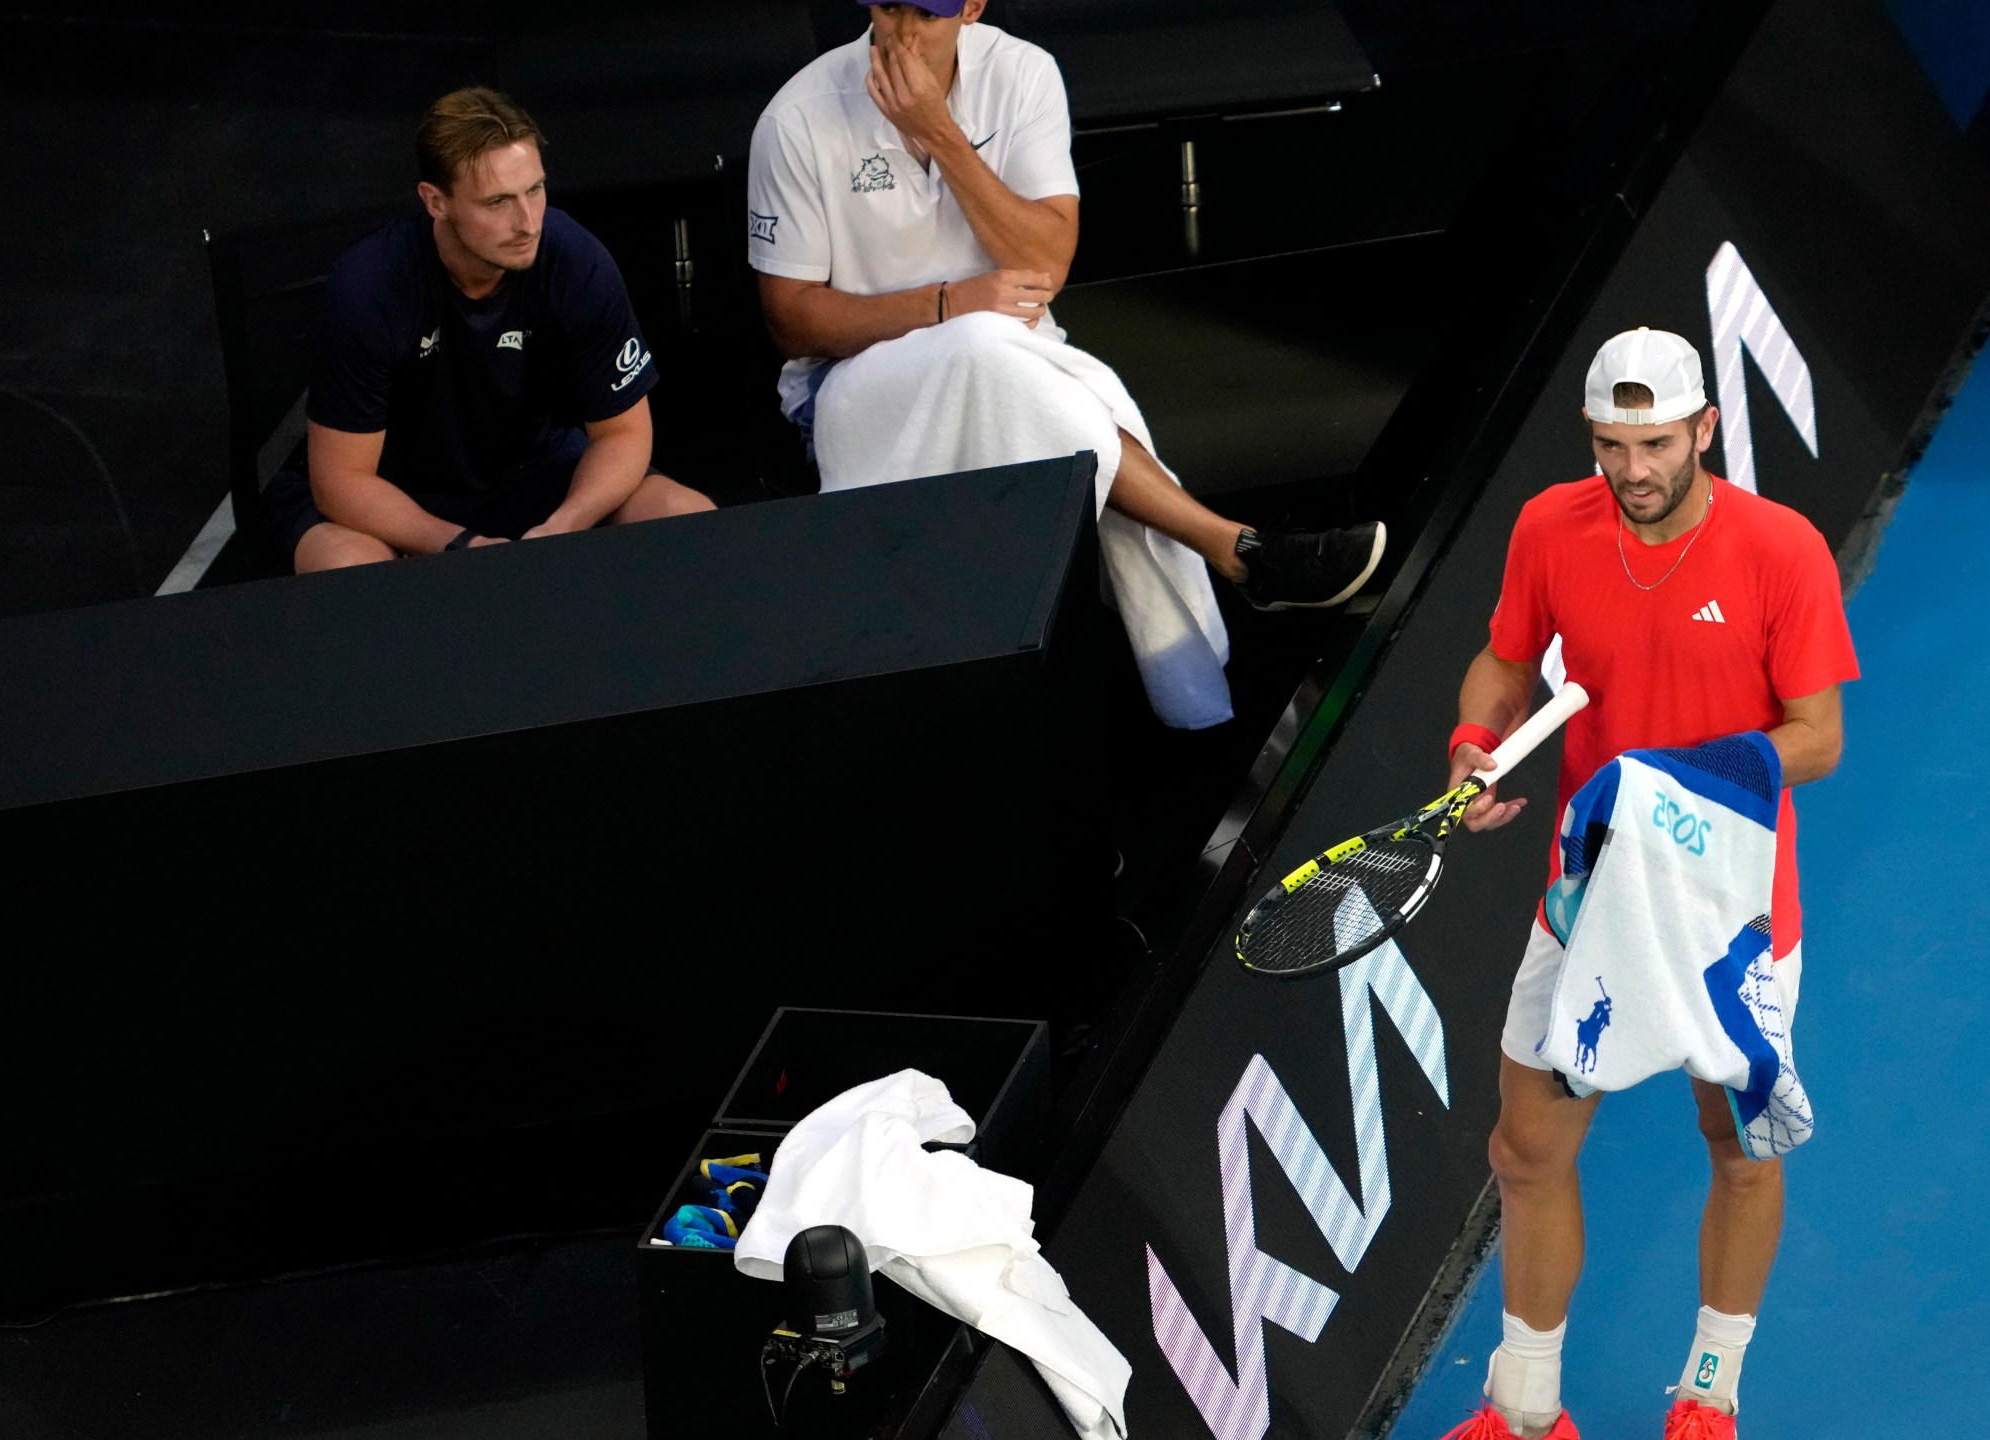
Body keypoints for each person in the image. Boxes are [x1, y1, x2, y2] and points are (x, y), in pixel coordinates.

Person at [1436, 329, 1859, 1440]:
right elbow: (1505, 656)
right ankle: (1524, 1406)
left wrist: (1672, 775)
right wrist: (1476, 739)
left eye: (1656, 443)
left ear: (1705, 431)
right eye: (1610, 445)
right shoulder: (1550, 526)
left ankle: (1708, 1392)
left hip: (1730, 917)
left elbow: (1817, 739)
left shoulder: (1783, 549)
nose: (1632, 471)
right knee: (1524, 1151)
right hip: (1588, 898)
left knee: (1736, 1150)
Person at [744, 0, 1385, 621]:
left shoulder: (1023, 74)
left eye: (927, 14)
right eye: (888, 8)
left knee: (999, 361)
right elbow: (792, 323)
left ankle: (1237, 559)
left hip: (1015, 351)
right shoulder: (798, 117)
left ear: (972, 7)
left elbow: (1047, 266)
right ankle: (1240, 552)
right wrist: (946, 308)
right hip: (853, 379)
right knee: (985, 352)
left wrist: (941, 135)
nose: (903, 36)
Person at [268, 87, 713, 573]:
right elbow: (342, 481)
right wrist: (461, 545)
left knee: (688, 519)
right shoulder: (369, 289)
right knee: (349, 571)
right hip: (392, 492)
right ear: (435, 201)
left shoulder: (576, 262)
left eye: (535, 190)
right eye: (498, 201)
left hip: (534, 475)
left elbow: (624, 434)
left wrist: (565, 526)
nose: (527, 222)